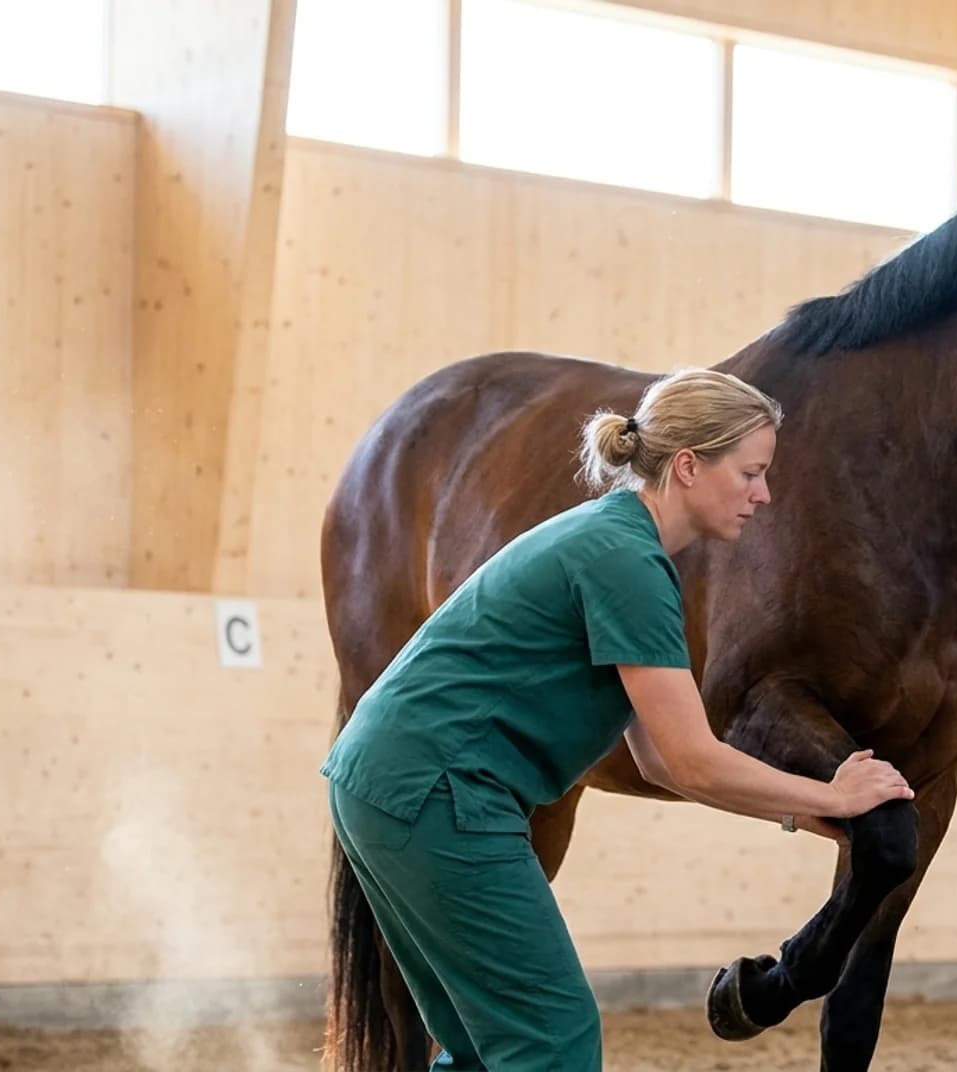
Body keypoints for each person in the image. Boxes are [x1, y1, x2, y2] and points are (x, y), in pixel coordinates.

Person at [319, 367, 915, 1071]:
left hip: (390, 785)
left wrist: (798, 813)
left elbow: (660, 761)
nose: (765, 494)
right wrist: (834, 795)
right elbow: (693, 758)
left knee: (486, 1048)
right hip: (436, 793)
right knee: (553, 1037)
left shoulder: (621, 545)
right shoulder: (627, 563)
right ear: (689, 466)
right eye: (751, 473)